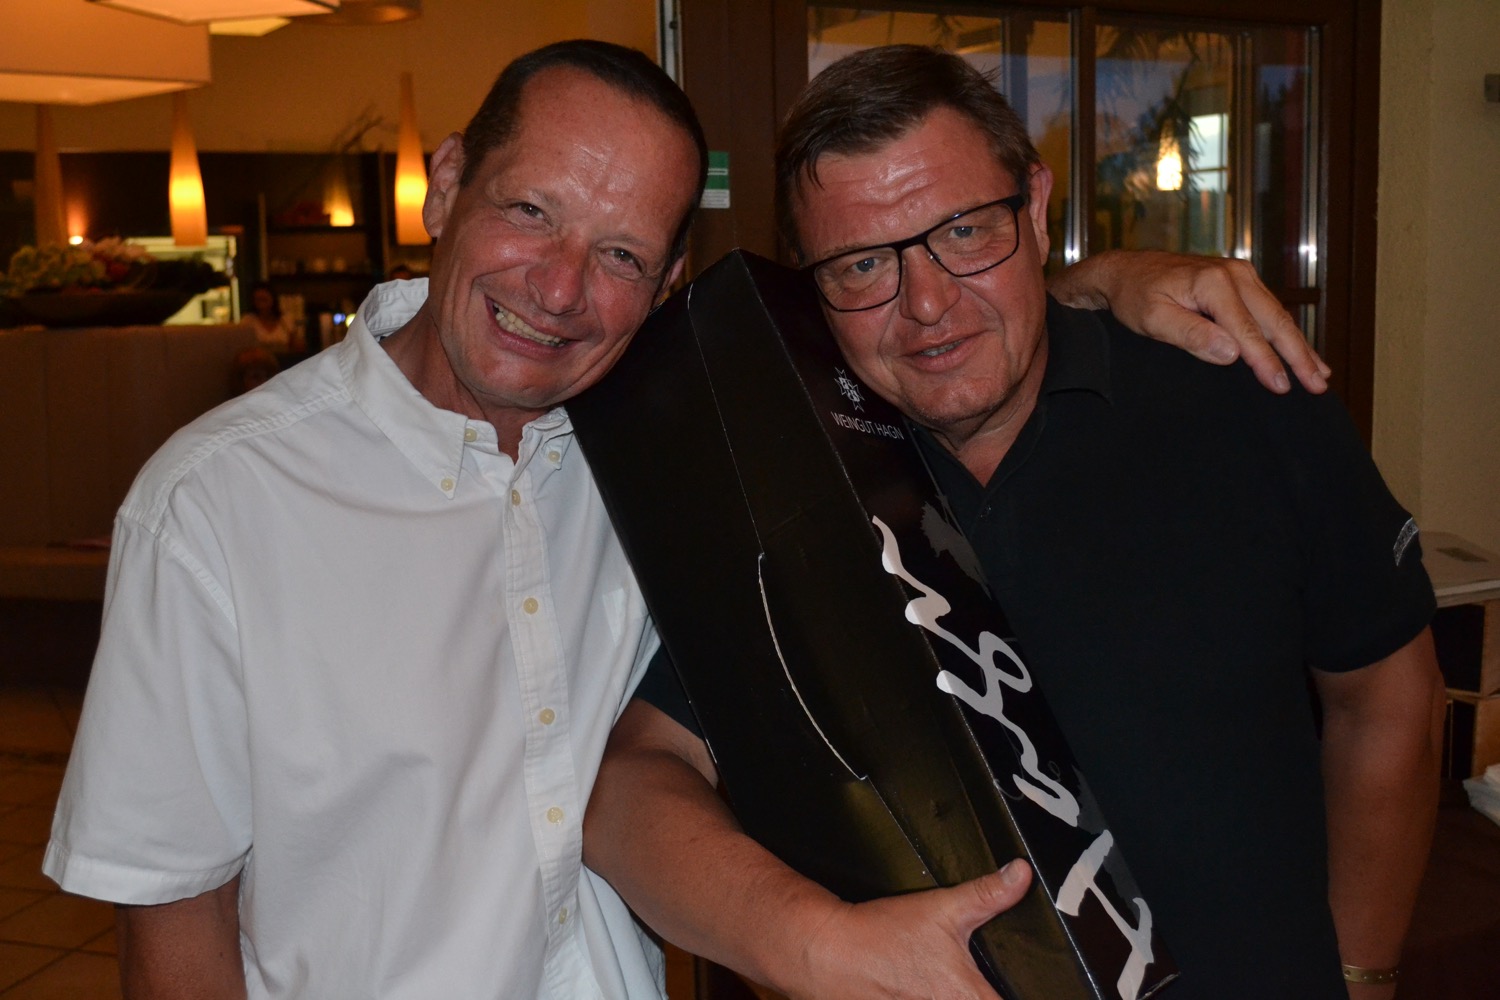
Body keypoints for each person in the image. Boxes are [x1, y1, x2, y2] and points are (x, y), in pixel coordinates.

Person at [45, 39, 1329, 1000]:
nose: (560, 289)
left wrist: (1108, 283)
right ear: (445, 186)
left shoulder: (667, 455)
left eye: (620, 254)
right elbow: (170, 916)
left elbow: (929, 322)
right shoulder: (216, 503)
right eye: (530, 210)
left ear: (666, 285)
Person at [582, 46, 1446, 1000]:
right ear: (813, 289)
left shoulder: (1237, 396)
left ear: (1035, 210)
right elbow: (630, 784)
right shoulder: (801, 487)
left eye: (964, 232)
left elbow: (1386, 696)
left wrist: (1362, 976)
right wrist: (813, 945)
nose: (927, 304)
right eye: (862, 264)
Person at [242, 279, 301, 353]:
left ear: (273, 300)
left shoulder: (286, 320)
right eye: (258, 300)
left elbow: (298, 347)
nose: (261, 305)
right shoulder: (248, 321)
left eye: (264, 300)